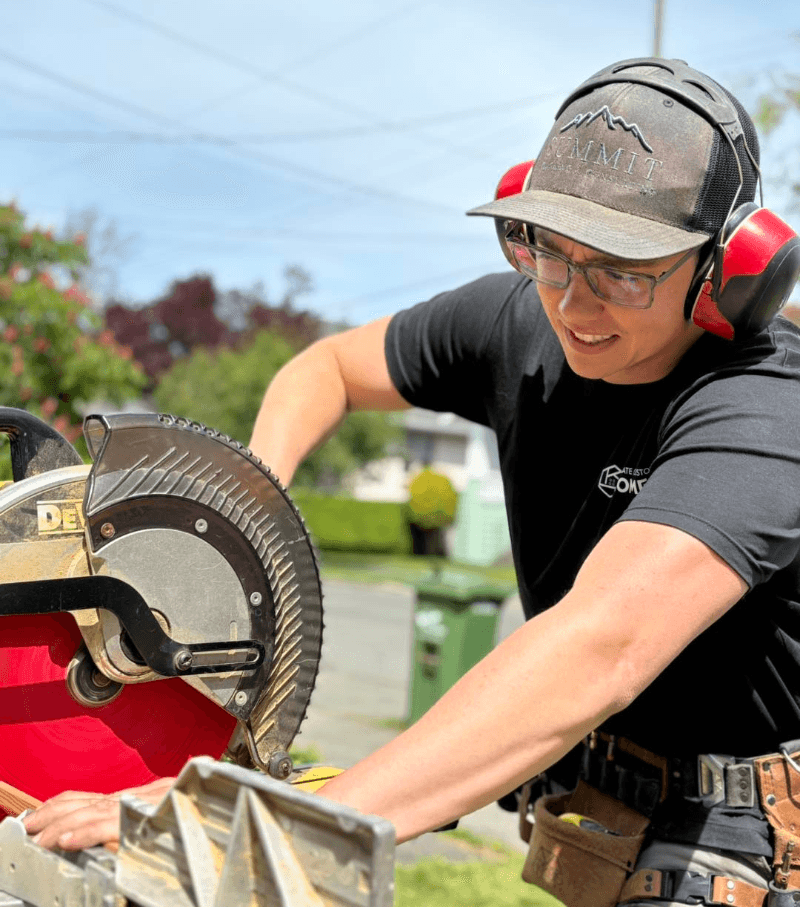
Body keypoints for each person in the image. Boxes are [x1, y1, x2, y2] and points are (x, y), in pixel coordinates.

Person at [25, 57, 800, 907]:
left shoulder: (765, 405)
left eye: (623, 270)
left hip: (740, 825)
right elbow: (324, 369)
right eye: (551, 253)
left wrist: (263, 818)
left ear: (731, 267)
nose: (575, 307)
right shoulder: (520, 320)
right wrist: (238, 528)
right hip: (600, 796)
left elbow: (599, 645)